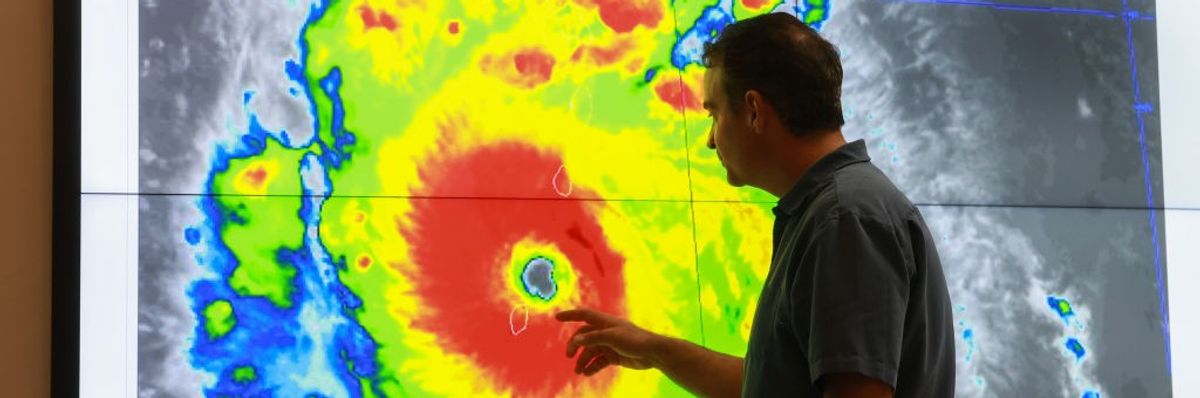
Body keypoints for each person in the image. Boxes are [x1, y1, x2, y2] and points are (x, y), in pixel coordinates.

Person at [556, 12, 956, 398]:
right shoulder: (835, 209)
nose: (711, 140)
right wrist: (654, 349)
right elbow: (772, 386)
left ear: (753, 110)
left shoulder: (844, 218)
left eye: (713, 114)